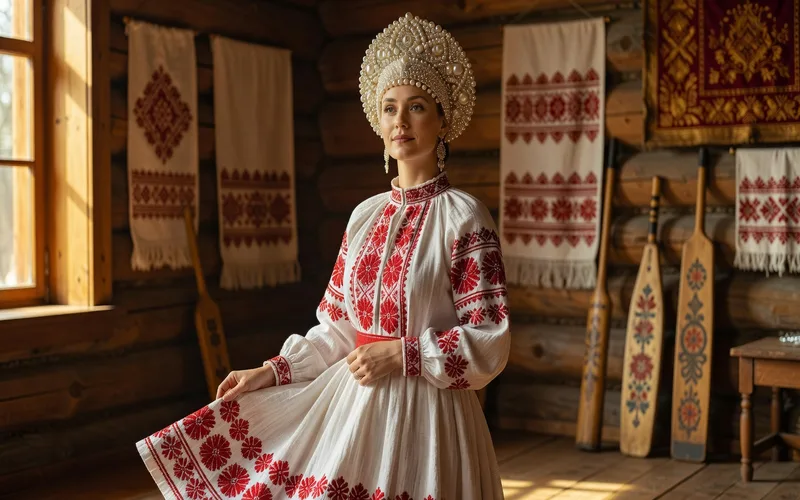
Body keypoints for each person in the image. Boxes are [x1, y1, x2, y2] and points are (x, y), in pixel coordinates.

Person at [136, 12, 510, 499]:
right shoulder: (364, 218)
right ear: (378, 122)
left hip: (432, 423)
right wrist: (271, 371)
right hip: (355, 409)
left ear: (442, 121)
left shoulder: (464, 217)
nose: (400, 121)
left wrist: (403, 355)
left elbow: (489, 340)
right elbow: (336, 329)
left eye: (416, 107)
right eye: (390, 108)